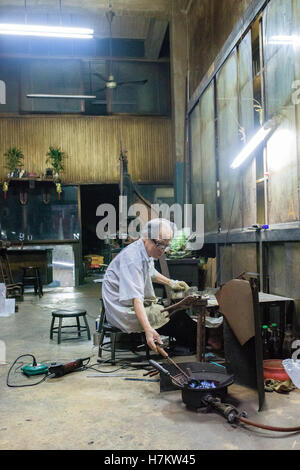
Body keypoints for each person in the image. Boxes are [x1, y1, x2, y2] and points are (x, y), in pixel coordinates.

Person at [102, 218, 197, 353]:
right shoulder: (132, 259)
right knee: (176, 319)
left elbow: (151, 272)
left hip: (132, 304)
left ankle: (195, 342)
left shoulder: (144, 251)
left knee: (175, 315)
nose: (162, 250)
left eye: (166, 246)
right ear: (146, 237)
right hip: (124, 310)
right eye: (160, 244)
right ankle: (203, 342)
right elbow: (136, 299)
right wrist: (148, 330)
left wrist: (172, 283)